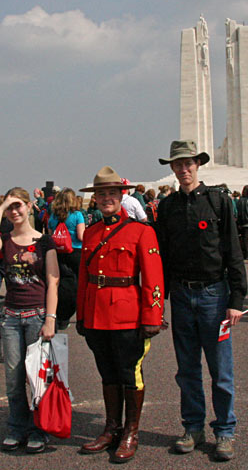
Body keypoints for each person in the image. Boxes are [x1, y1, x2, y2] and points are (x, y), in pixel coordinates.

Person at [155, 140, 248, 461]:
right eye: (177, 165)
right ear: (172, 168)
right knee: (187, 369)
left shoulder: (219, 201)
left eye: (188, 164)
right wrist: (158, 304)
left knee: (221, 370)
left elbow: (233, 251)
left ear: (198, 164)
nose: (183, 170)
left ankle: (225, 430)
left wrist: (236, 298)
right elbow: (162, 259)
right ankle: (193, 427)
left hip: (214, 294)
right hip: (181, 294)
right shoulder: (166, 207)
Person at [74, 167, 164, 463]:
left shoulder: (141, 231)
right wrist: (83, 316)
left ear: (122, 196)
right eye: (101, 194)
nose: (107, 199)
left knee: (129, 373)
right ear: (95, 199)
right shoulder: (92, 232)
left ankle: (130, 432)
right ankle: (111, 428)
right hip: (97, 315)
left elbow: (153, 279)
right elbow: (84, 277)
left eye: (112, 193)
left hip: (127, 315)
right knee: (107, 372)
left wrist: (152, 318)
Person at [0, 187, 59, 454]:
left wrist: (50, 318)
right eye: (11, 207)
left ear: (29, 206)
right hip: (12, 317)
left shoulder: (44, 241)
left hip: (37, 315)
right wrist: (1, 209)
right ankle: (17, 427)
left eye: (19, 206)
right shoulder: (5, 240)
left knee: (37, 378)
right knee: (14, 379)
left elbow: (52, 281)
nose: (15, 211)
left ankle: (40, 428)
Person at [48, 188, 85, 329]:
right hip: (75, 251)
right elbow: (81, 236)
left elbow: (51, 234)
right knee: (78, 284)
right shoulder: (77, 215)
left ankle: (59, 314)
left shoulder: (53, 216)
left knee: (61, 283)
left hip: (58, 252)